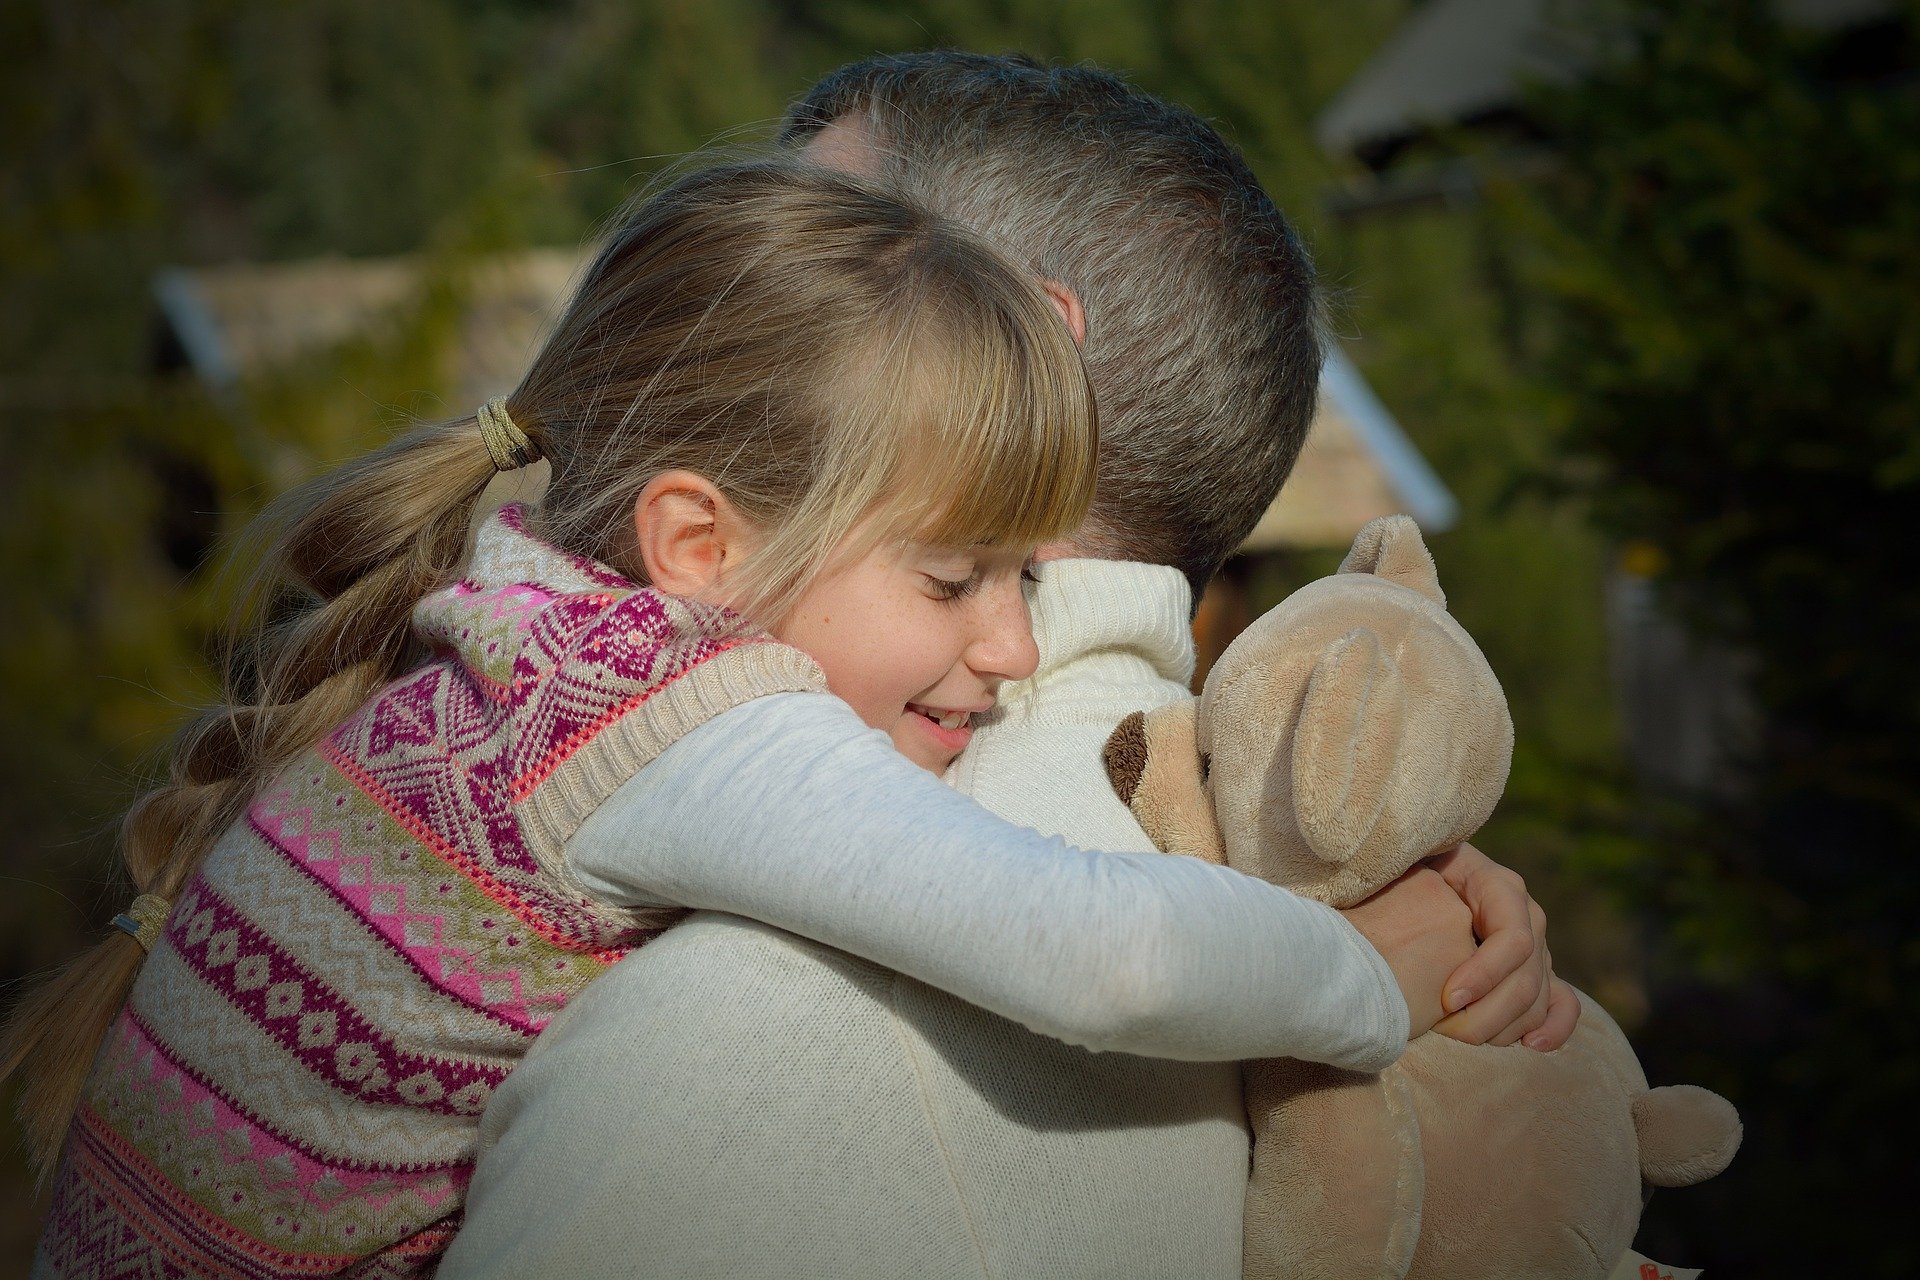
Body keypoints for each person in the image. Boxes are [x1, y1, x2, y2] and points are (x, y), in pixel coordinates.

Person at [12, 158, 1459, 1279]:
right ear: (697, 546)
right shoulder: (668, 718)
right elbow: (1107, 951)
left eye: (1026, 576)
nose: (1016, 643)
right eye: (955, 577)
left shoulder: (519, 618)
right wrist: (1364, 974)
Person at [442, 53, 1576, 1280]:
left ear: (1026, 341)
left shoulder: (733, 1037)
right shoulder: (1326, 892)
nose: (710, 310)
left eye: (813, 244)